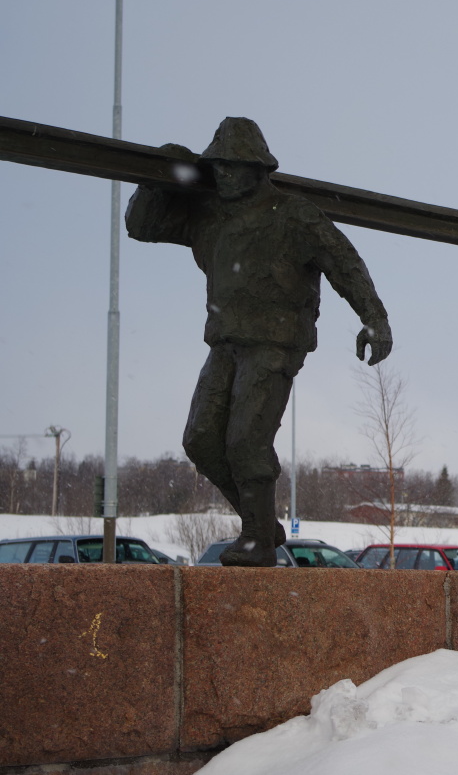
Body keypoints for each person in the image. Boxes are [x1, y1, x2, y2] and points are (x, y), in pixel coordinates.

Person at [125, 117, 393, 567]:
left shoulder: (294, 214)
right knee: (201, 440)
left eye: (235, 166)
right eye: (219, 167)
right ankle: (262, 523)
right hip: (225, 340)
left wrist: (374, 318)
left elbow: (344, 261)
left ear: (259, 168)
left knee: (246, 440)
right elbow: (142, 226)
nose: (225, 175)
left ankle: (257, 540)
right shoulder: (207, 213)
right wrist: (156, 179)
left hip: (275, 340)